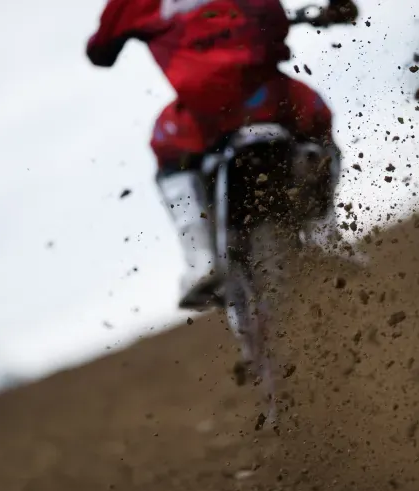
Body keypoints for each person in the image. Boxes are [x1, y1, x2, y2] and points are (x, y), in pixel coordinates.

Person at [86, 0, 358, 309]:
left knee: (166, 146)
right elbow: (276, 23)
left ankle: (200, 258)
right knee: (318, 119)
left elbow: (100, 52)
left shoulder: (131, 5)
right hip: (270, 100)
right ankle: (326, 231)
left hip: (202, 118)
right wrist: (326, 13)